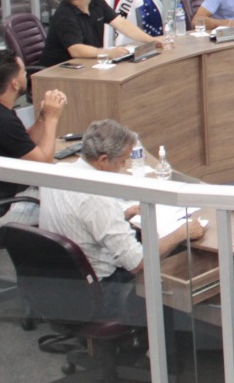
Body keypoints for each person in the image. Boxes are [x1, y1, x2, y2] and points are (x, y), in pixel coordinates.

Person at [38, 119, 204, 324]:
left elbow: (78, 217)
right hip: (102, 291)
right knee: (172, 260)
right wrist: (182, 233)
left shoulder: (58, 171)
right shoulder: (97, 199)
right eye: (122, 161)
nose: (124, 166)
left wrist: (122, 214)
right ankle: (165, 340)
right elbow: (137, 263)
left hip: (61, 284)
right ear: (103, 160)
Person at [0, 49, 66, 227]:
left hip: (0, 195)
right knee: (70, 205)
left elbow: (23, 143)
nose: (26, 75)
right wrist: (52, 119)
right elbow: (43, 165)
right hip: (2, 209)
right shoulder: (0, 120)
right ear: (14, 84)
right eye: (23, 72)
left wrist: (43, 116)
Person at [38, 0, 172, 67]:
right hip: (61, 69)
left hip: (90, 63)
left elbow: (121, 23)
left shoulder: (95, 1)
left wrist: (151, 40)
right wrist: (107, 52)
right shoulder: (64, 15)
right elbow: (76, 50)